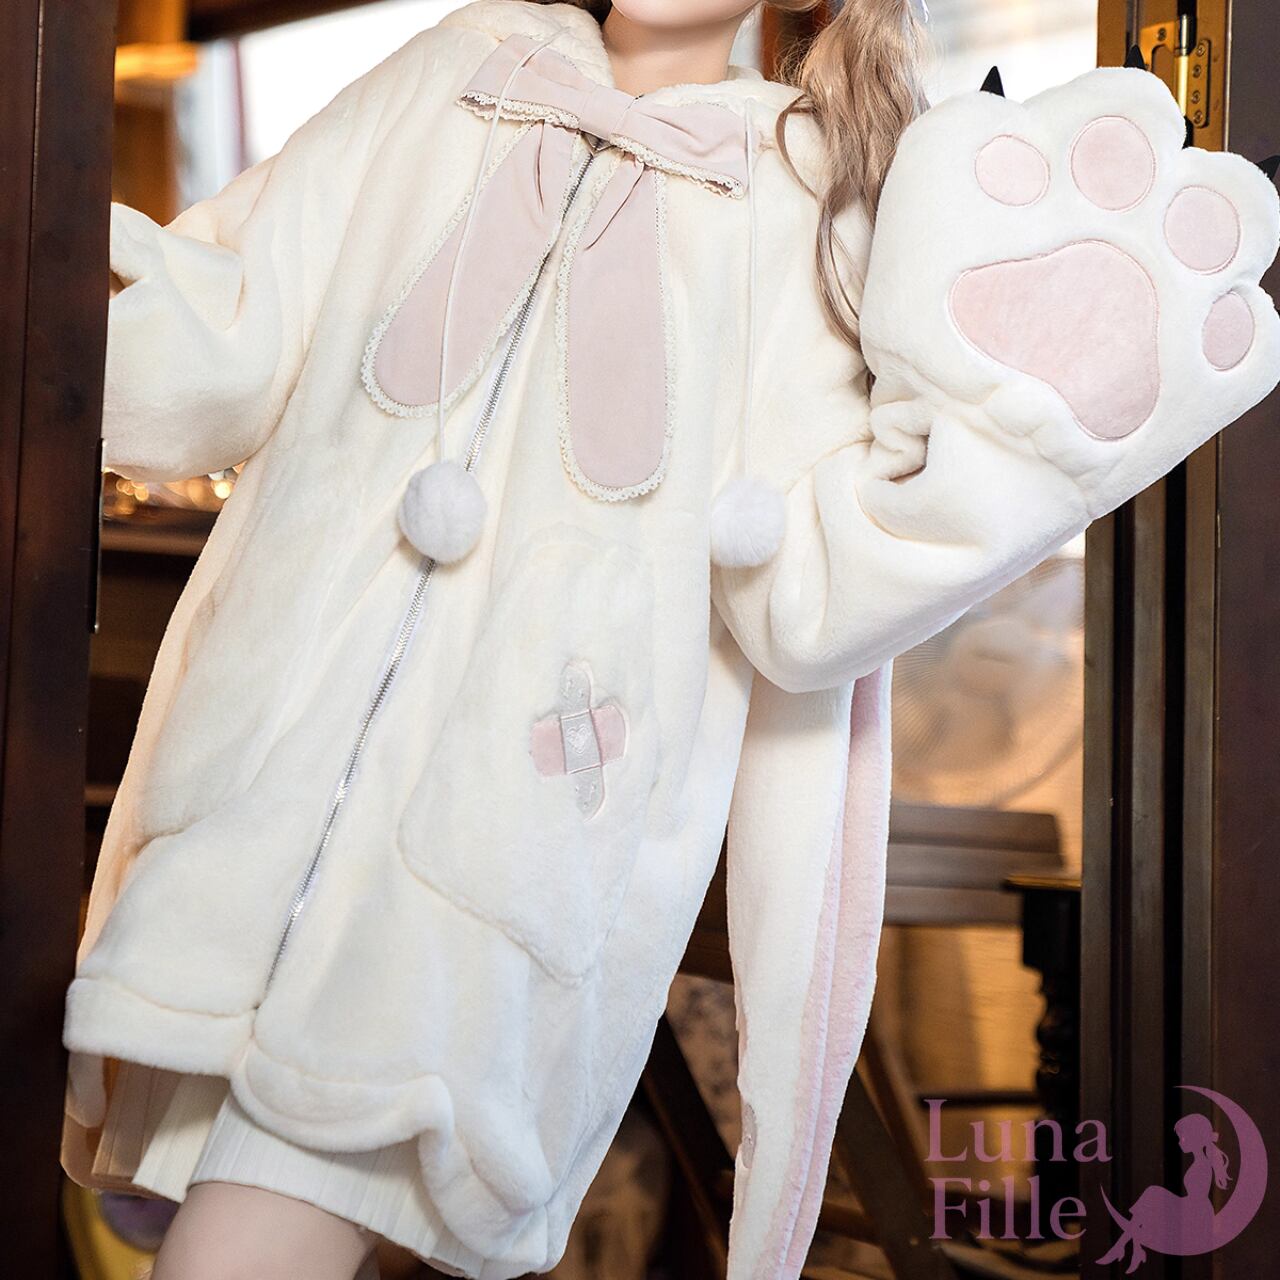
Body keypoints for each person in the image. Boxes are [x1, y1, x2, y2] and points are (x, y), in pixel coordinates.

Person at [61, 1, 1280, 1277]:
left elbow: (807, 590)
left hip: (492, 864)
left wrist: (1012, 446)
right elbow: (219, 337)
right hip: (249, 806)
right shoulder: (459, 68)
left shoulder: (803, 195)